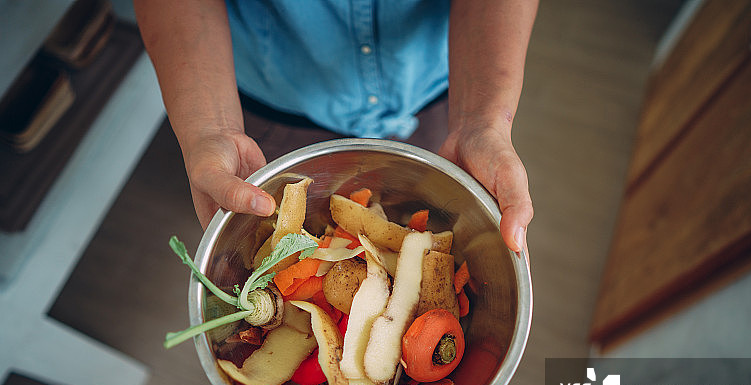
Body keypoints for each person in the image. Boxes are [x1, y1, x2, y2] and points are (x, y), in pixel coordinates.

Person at [133, 0, 537, 253]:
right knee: (287, 239)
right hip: (270, 111)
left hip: (444, 91)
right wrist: (211, 127)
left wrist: (480, 122)